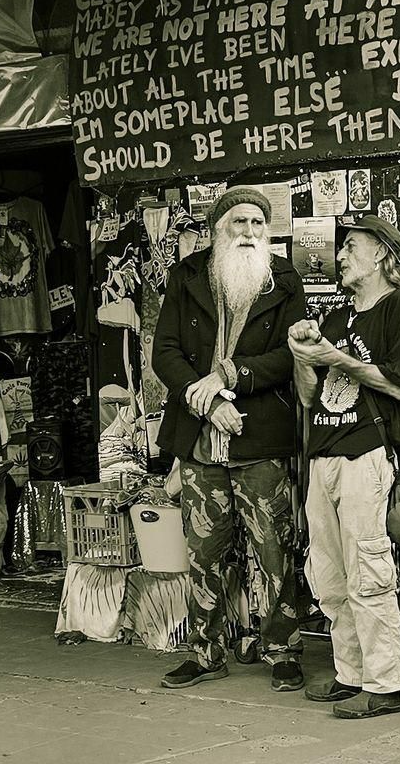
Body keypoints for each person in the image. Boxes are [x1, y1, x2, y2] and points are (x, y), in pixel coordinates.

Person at [153, 186, 306, 693]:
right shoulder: (189, 275)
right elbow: (166, 352)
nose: (248, 232)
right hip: (200, 439)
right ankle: (205, 650)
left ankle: (281, 647)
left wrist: (230, 377)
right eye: (238, 223)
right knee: (202, 552)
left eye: (257, 224)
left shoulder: (284, 279)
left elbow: (289, 357)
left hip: (260, 437)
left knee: (274, 550)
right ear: (219, 229)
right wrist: (210, 403)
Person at [288, 214, 400, 719]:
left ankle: (388, 683)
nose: (340, 255)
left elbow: (399, 385)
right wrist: (302, 353)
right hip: (323, 457)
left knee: (368, 570)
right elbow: (308, 395)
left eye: (350, 246)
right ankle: (352, 674)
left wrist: (335, 357)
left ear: (382, 256)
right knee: (328, 574)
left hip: (365, 456)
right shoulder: (338, 316)